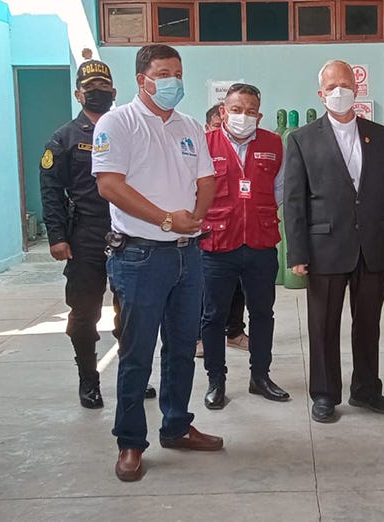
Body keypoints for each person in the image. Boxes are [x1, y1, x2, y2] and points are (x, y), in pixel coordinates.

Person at [93, 44, 223, 482]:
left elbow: (207, 177)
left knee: (183, 348)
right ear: (142, 80)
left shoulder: (188, 126)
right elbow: (110, 185)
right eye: (164, 73)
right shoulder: (118, 123)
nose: (173, 82)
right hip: (139, 255)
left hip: (189, 255)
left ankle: (177, 425)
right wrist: (168, 219)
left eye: (178, 73)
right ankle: (130, 441)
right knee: (136, 353)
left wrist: (196, 218)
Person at [284, 59, 384, 424]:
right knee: (323, 325)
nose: (339, 92)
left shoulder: (380, 135)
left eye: (345, 85)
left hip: (372, 246)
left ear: (357, 89)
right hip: (324, 247)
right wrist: (297, 252)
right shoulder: (302, 139)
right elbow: (294, 200)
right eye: (331, 87)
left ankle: (367, 389)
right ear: (321, 94)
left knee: (368, 322)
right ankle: (325, 394)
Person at [39, 58, 156, 409]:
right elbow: (50, 190)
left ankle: (133, 376)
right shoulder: (63, 138)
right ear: (78, 94)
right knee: (84, 311)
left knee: (132, 311)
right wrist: (57, 237)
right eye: (90, 89)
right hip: (84, 235)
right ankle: (88, 380)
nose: (98, 94)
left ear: (114, 92)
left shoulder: (128, 129)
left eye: (104, 88)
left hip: (129, 231)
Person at [200, 83, 289, 410]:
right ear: (223, 112)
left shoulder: (273, 143)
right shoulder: (205, 144)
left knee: (263, 312)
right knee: (213, 316)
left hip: (260, 243)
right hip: (217, 244)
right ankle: (216, 380)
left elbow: (280, 189)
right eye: (236, 110)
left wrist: (255, 212)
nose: (243, 116)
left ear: (259, 115)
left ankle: (260, 376)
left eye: (251, 111)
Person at [193, 103, 250, 359]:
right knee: (206, 293)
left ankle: (235, 331)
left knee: (239, 288)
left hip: (239, 231)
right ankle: (198, 337)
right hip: (208, 233)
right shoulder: (201, 147)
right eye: (218, 126)